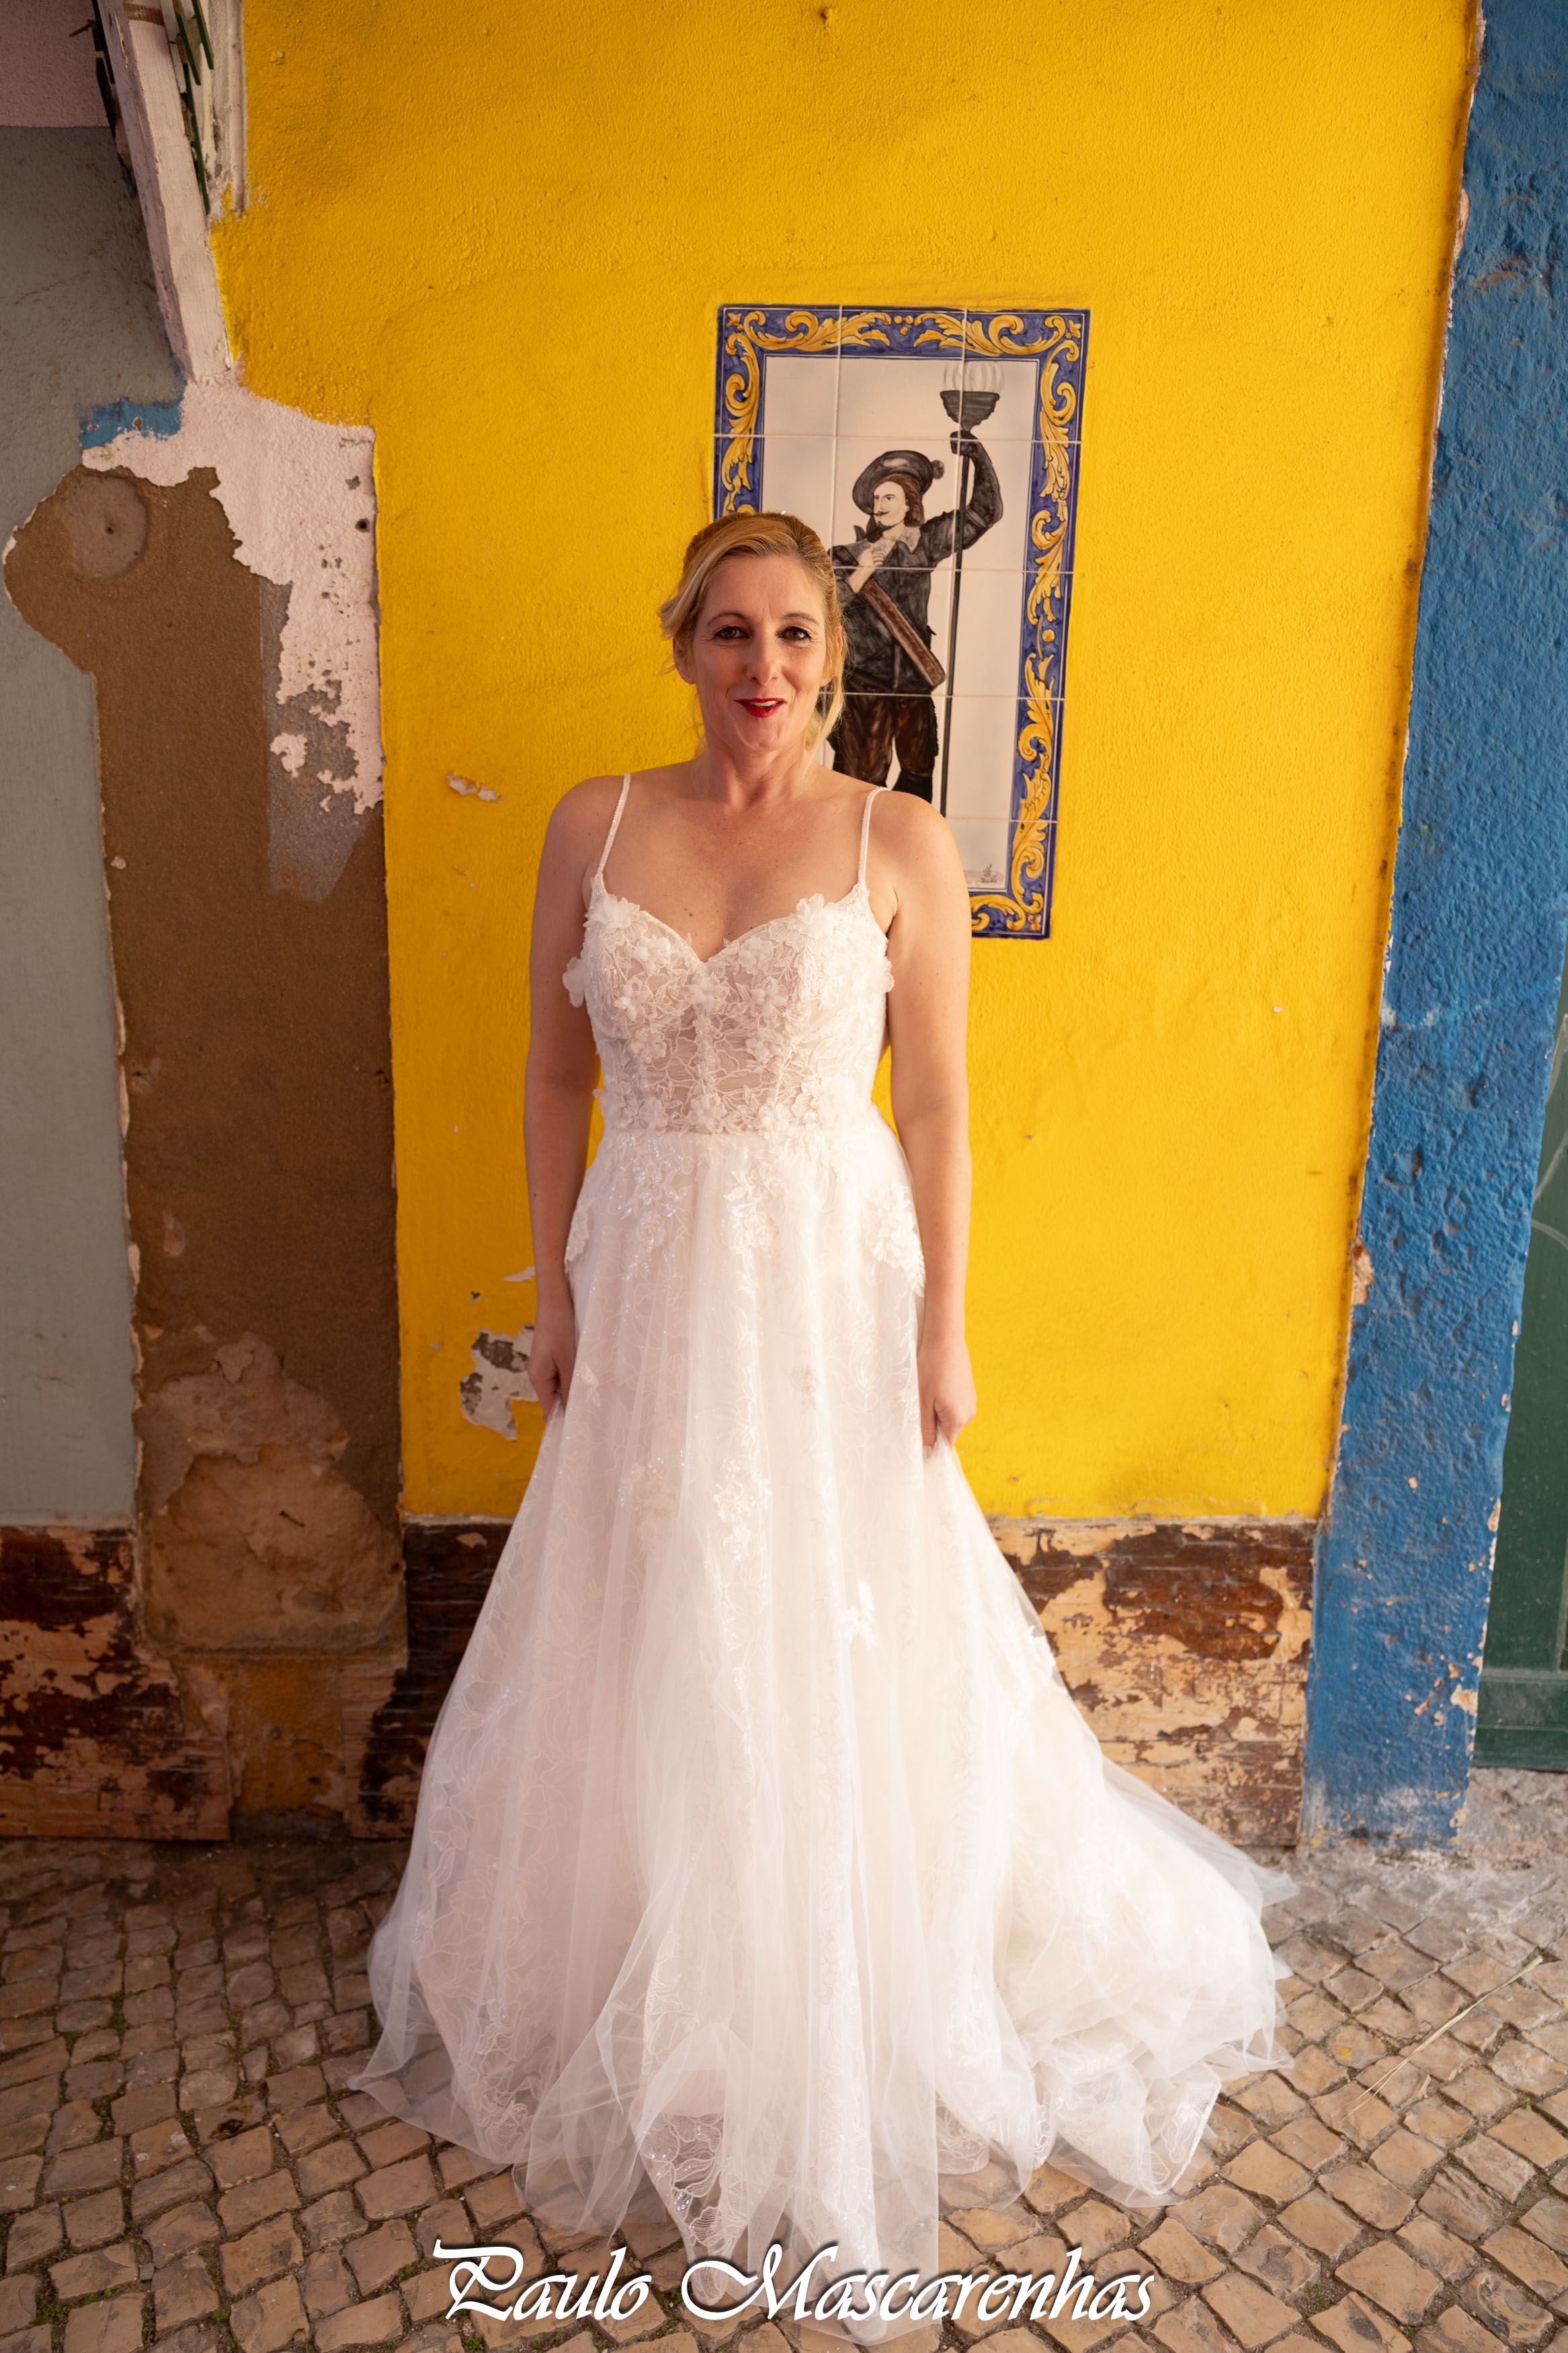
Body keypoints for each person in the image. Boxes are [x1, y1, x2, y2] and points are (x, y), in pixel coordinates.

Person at [350, 510, 1287, 2336]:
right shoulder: (592, 823)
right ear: (681, 645)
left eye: (792, 635)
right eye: (729, 631)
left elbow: (932, 1105)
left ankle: (831, 1965)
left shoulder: (895, 840)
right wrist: (551, 1289)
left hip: (826, 1285)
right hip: (647, 1267)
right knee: (650, 1598)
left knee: (829, 1604)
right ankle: (651, 1952)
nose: (761, 666)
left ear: (833, 663)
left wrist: (944, 1323)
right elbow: (552, 1070)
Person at [830, 440, 1001, 799]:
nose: (879, 506)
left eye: (889, 497)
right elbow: (820, 611)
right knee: (857, 786)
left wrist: (977, 454)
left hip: (915, 682)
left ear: (910, 503)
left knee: (919, 780)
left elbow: (986, 512)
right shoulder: (846, 556)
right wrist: (860, 575)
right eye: (876, 499)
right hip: (864, 686)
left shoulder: (925, 544)